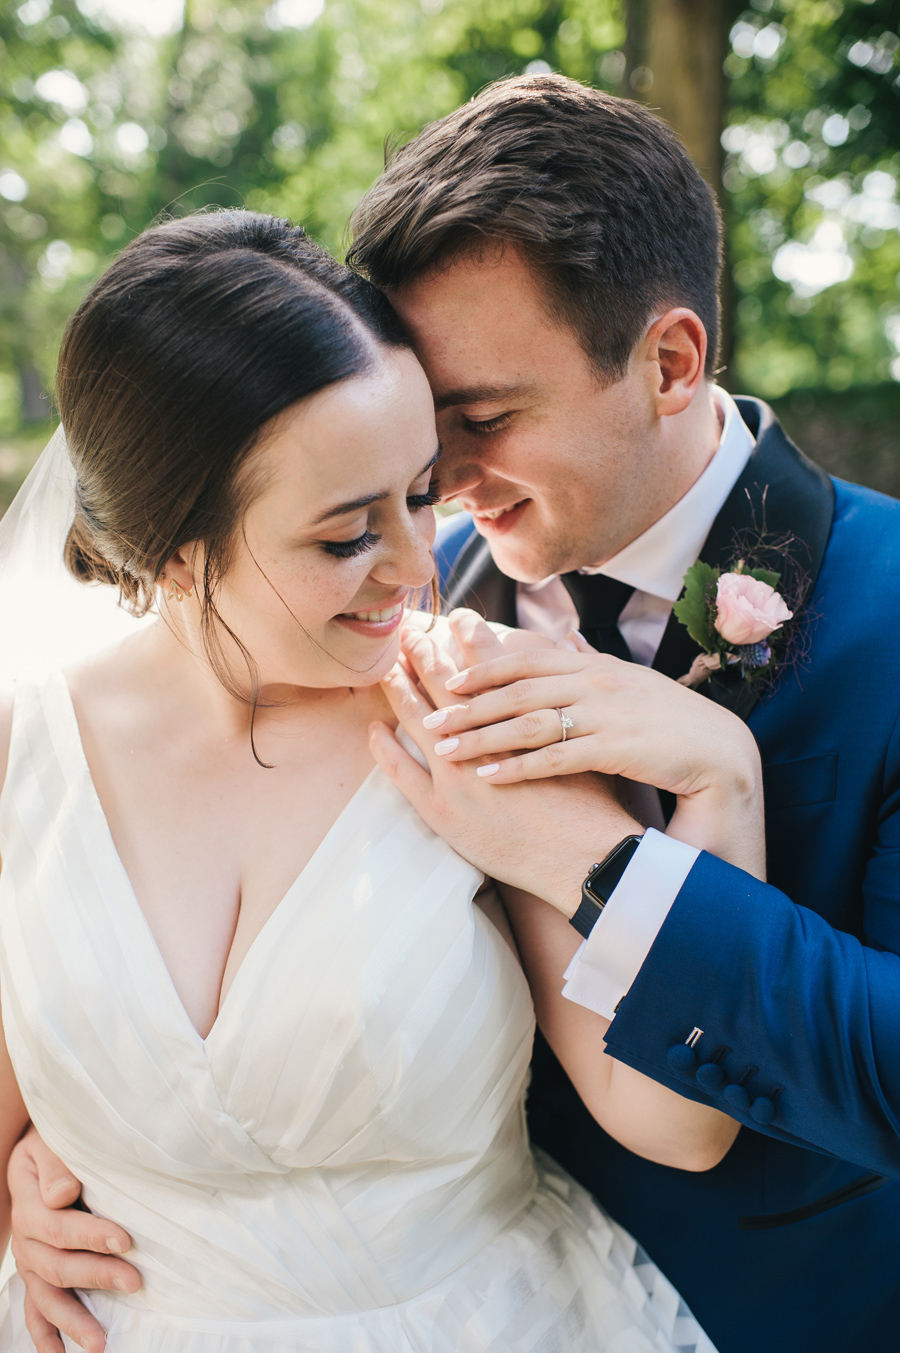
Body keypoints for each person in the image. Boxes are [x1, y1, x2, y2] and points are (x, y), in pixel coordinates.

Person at [0, 208, 760, 1353]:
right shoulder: (21, 752)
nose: (419, 570)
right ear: (170, 550)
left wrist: (723, 786)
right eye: (348, 534)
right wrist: (23, 1213)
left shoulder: (465, 717)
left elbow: (675, 1118)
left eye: (420, 494)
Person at [343, 73, 900, 1353]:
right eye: (425, 436)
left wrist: (599, 862)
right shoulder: (394, 612)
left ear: (669, 360)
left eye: (483, 420)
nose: (443, 484)